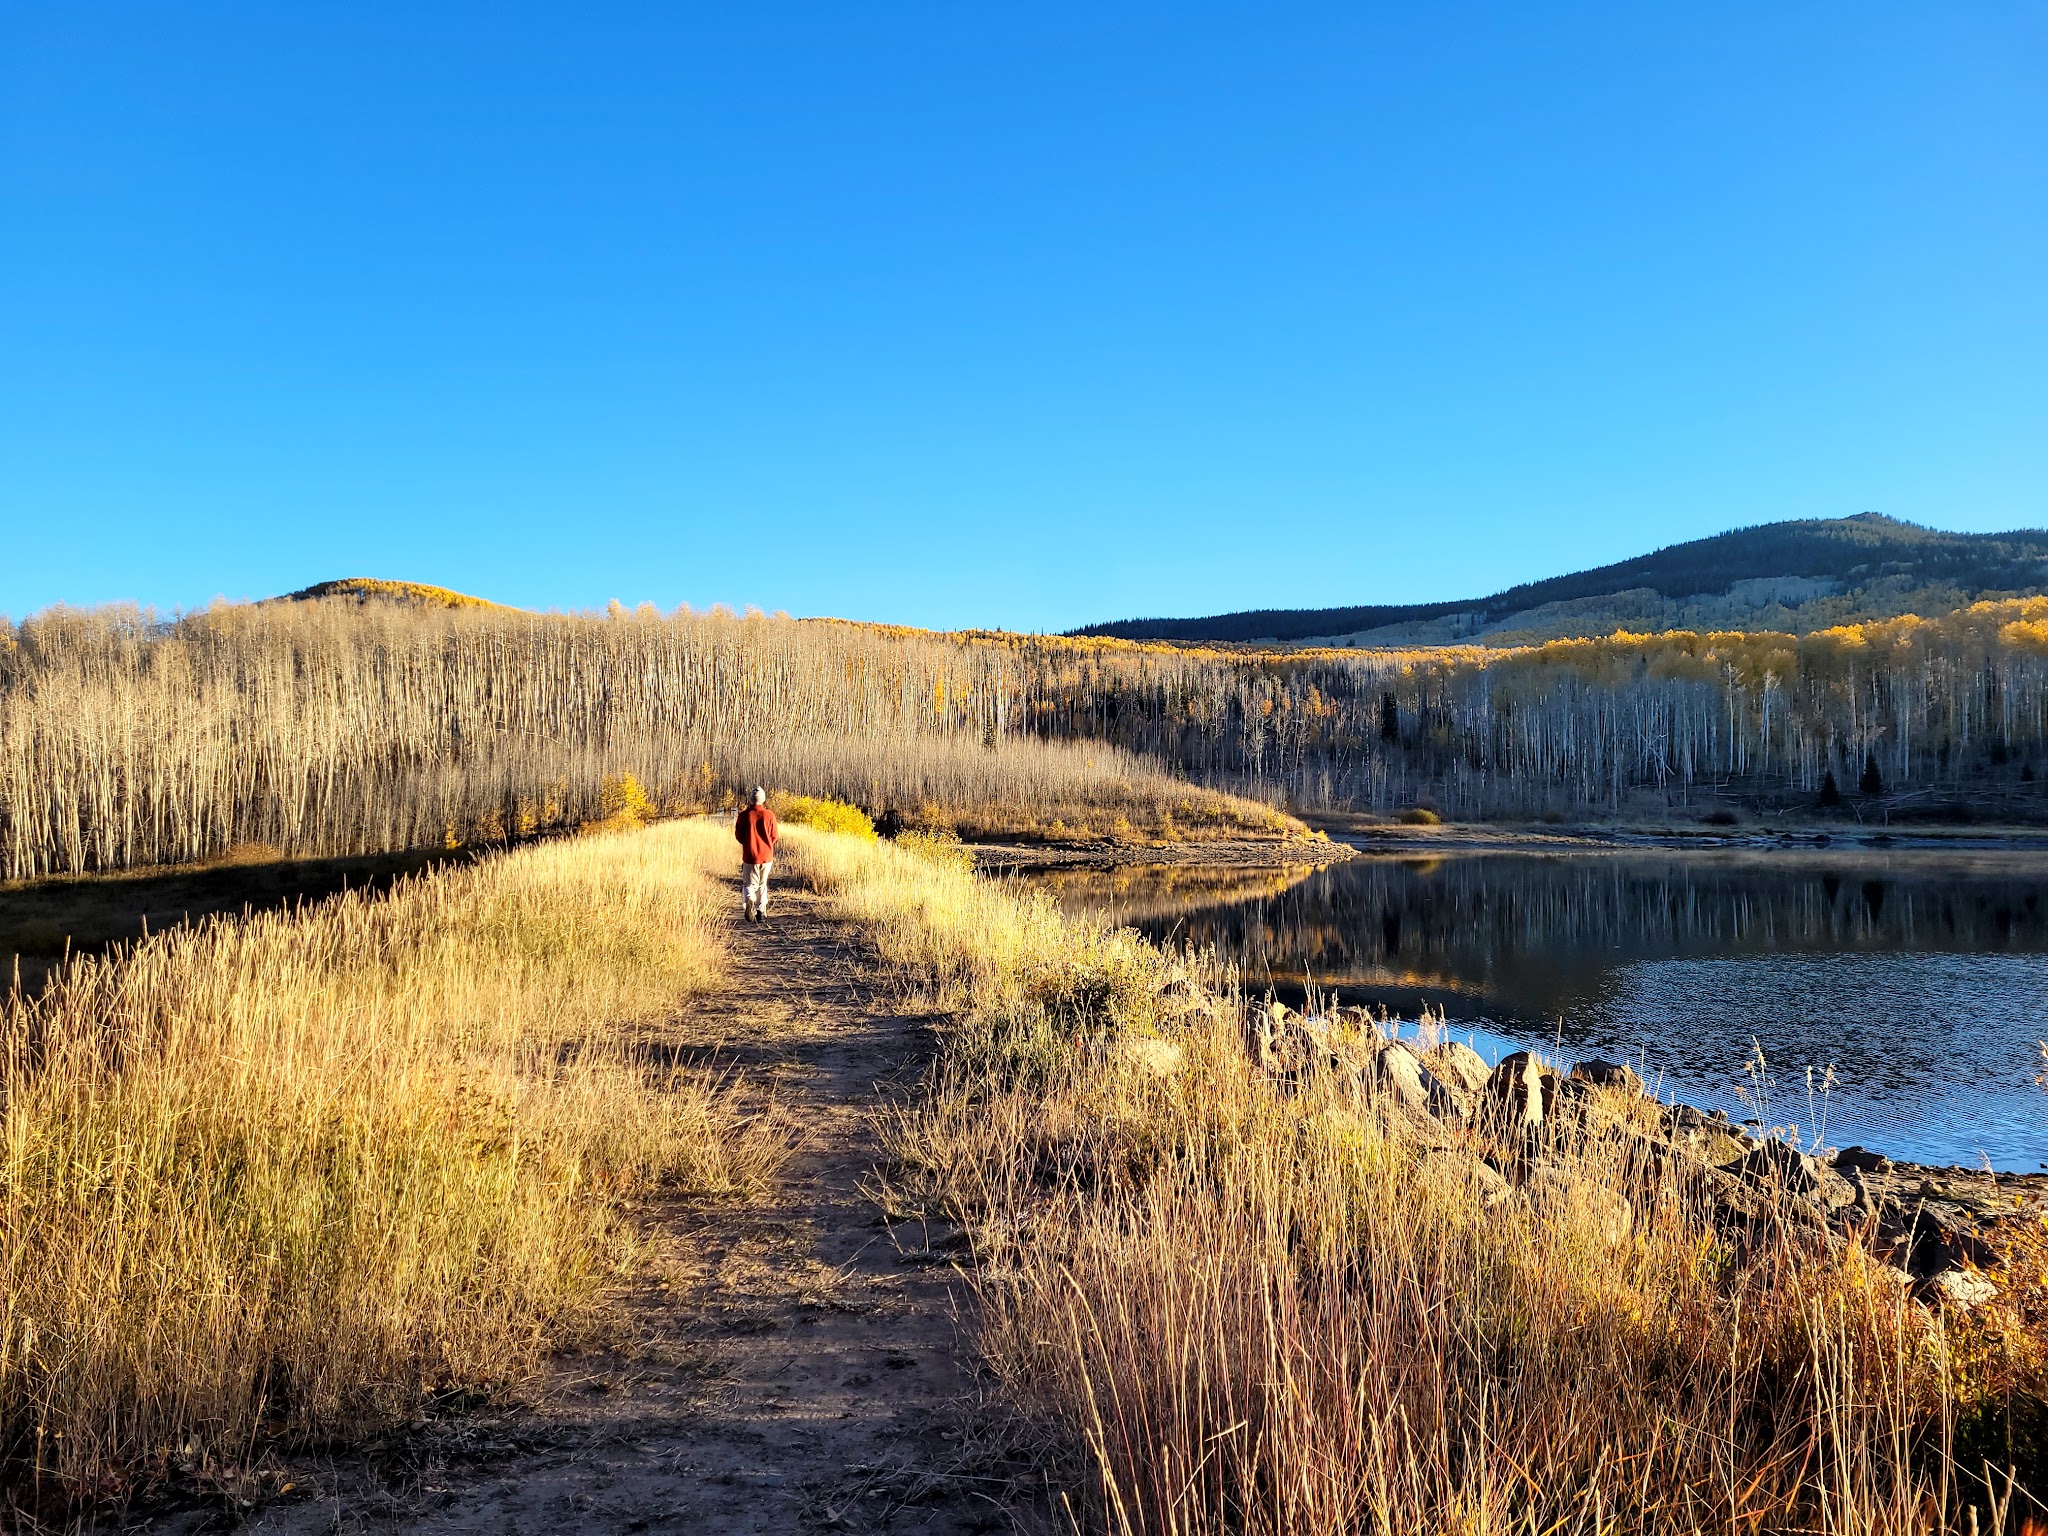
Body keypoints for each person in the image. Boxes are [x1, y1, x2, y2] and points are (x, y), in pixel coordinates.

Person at [734, 786, 778, 921]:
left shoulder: (744, 815)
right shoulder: (770, 815)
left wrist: (748, 844)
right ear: (763, 799)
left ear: (751, 799)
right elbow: (774, 836)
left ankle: (749, 899)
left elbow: (738, 835)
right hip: (767, 855)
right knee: (762, 884)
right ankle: (761, 912)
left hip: (750, 855)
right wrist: (767, 845)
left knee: (749, 884)